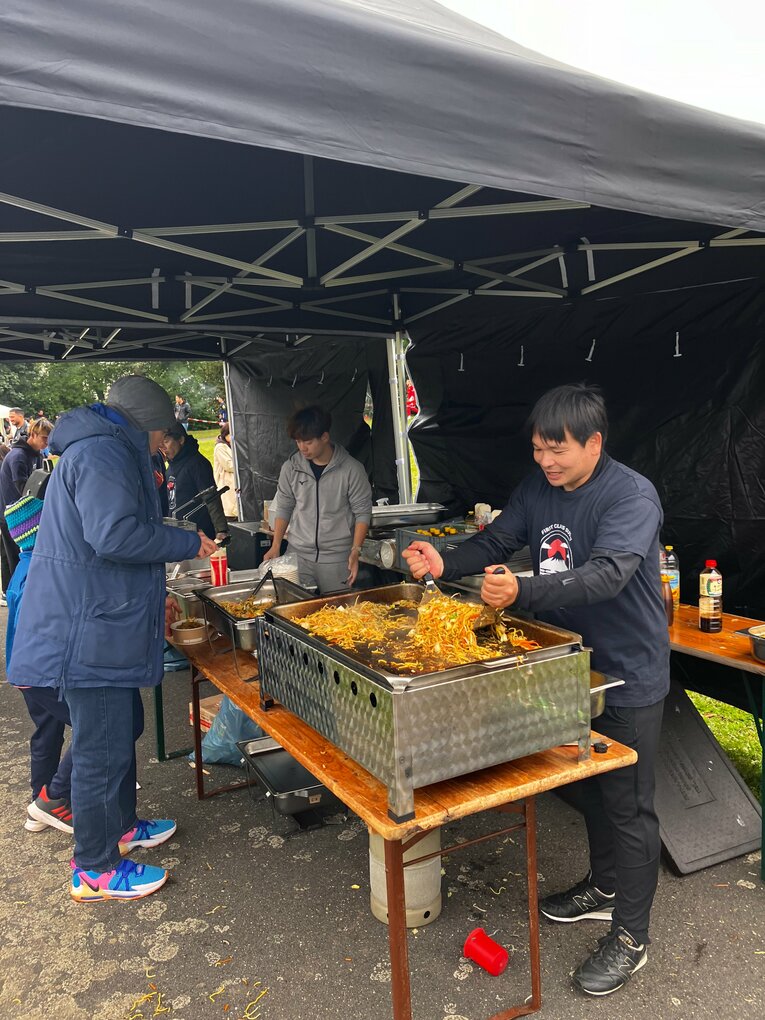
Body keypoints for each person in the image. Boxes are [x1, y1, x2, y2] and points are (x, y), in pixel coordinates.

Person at [403, 383, 670, 998]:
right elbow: (497, 540)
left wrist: (522, 590)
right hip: (565, 666)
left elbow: (608, 574)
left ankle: (633, 938)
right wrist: (445, 560)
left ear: (594, 443)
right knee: (590, 789)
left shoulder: (630, 496)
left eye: (558, 450)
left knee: (629, 805)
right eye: (538, 449)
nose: (546, 461)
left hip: (626, 671)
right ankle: (605, 886)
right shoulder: (538, 489)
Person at [7, 375, 218, 902]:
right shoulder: (103, 453)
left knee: (123, 728)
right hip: (87, 633)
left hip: (103, 620)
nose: (163, 441)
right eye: (162, 430)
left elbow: (111, 538)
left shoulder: (107, 449)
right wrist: (185, 541)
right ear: (146, 424)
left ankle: (122, 825)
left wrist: (154, 597)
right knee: (101, 747)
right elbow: (115, 536)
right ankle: (95, 867)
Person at [4, 474, 74, 835]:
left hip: (24, 673)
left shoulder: (23, 567)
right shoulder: (42, 573)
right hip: (43, 674)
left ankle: (38, 804)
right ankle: (56, 796)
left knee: (47, 732)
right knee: (96, 727)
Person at [263, 405, 372, 593]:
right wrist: (276, 545)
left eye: (308, 442)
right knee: (294, 607)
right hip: (297, 555)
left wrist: (356, 551)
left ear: (324, 437)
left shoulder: (352, 470)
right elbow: (284, 506)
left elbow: (362, 512)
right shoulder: (291, 468)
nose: (302, 448)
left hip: (337, 559)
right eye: (298, 442)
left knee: (339, 608)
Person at [0, 417, 53, 578]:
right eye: (44, 438)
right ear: (33, 434)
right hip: (10, 513)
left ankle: (9, 587)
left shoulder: (36, 454)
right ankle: (13, 588)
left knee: (9, 554)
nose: (47, 442)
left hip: (21, 511)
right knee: (14, 556)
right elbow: (25, 490)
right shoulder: (18, 456)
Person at [162, 423, 229, 541]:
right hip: (177, 532)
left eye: (166, 441)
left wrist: (221, 530)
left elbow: (211, 497)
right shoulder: (171, 466)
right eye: (160, 442)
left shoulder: (197, 464)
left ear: (181, 440)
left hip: (200, 534)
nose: (163, 447)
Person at [213, 423, 238, 520]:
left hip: (234, 482)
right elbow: (229, 465)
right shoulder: (220, 447)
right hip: (226, 482)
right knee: (229, 509)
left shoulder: (232, 445)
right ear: (225, 434)